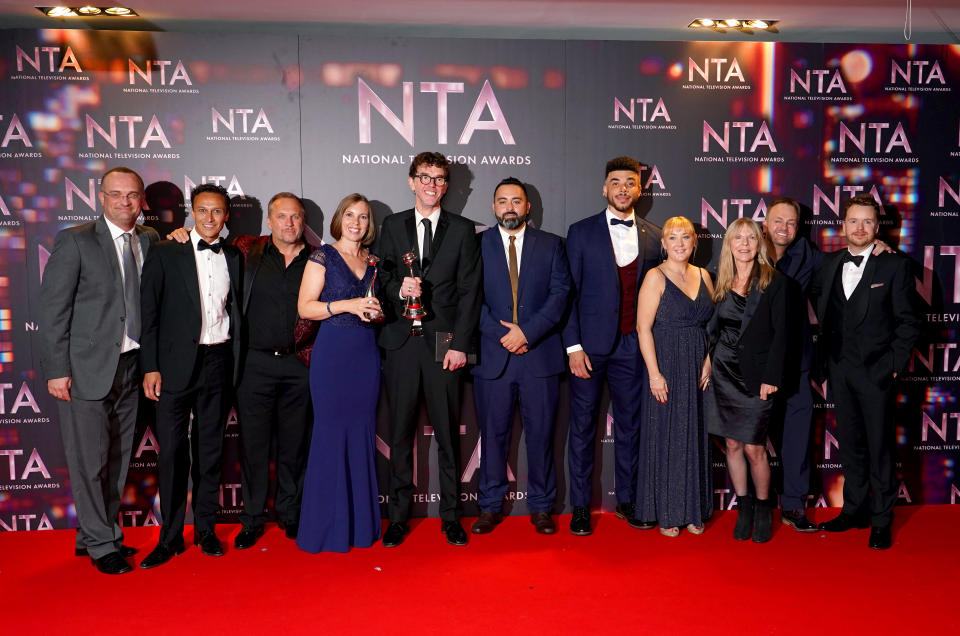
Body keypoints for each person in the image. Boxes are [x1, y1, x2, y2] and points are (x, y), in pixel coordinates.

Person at [166, 193, 318, 549]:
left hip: (299, 364)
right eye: (282, 217)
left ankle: (290, 513)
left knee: (294, 447)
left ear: (303, 222)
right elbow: (201, 242)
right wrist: (179, 233)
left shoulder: (317, 259)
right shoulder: (244, 252)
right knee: (253, 446)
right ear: (269, 221)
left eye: (296, 218)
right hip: (254, 365)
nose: (289, 224)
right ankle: (252, 519)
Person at [39, 167, 158, 575]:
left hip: (131, 367)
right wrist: (57, 369)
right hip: (85, 370)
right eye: (116, 194)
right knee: (89, 461)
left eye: (132, 195)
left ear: (142, 200)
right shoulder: (75, 241)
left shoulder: (150, 239)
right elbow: (53, 312)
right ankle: (102, 543)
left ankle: (95, 533)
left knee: (118, 459)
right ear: (101, 197)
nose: (125, 203)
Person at [763, 197, 892, 532]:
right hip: (753, 362)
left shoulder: (810, 256)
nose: (784, 228)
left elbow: (852, 260)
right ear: (765, 223)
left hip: (796, 361)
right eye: (778, 221)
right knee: (747, 439)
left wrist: (878, 247)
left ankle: (793, 506)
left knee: (796, 437)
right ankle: (757, 507)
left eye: (791, 222)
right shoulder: (746, 246)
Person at [377, 152, 482, 548]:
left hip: (444, 345)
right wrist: (397, 290)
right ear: (411, 181)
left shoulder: (461, 229)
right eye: (425, 177)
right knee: (400, 435)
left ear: (447, 185)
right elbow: (381, 280)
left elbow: (471, 292)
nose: (432, 185)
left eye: (439, 179)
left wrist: (461, 346)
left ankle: (451, 516)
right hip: (401, 343)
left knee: (447, 436)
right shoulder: (391, 225)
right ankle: (399, 518)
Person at [138, 183, 242, 568]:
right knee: (172, 454)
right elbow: (149, 315)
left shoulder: (234, 255)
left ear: (227, 215)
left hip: (218, 362)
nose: (210, 218)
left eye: (217, 211)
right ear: (191, 213)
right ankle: (169, 538)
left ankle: (206, 531)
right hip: (173, 366)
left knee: (210, 451)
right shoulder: (166, 251)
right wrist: (150, 365)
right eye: (202, 211)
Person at [810, 194, 921, 550]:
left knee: (880, 448)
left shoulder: (895, 266)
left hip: (876, 373)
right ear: (843, 226)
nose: (860, 228)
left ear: (877, 227)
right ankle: (854, 510)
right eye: (853, 221)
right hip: (839, 370)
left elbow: (908, 324)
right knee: (852, 446)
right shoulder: (828, 264)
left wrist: (890, 368)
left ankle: (881, 519)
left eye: (867, 222)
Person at [561, 156, 662, 535]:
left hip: (633, 348)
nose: (623, 188)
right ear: (605, 188)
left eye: (630, 183)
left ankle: (629, 500)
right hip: (588, 348)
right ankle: (580, 507)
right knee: (583, 428)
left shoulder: (654, 236)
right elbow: (567, 295)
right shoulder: (581, 232)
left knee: (631, 428)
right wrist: (572, 346)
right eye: (615, 182)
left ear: (640, 189)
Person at [470, 177, 571, 536]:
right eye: (502, 201)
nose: (509, 207)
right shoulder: (476, 246)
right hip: (492, 357)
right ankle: (490, 506)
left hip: (539, 356)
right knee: (493, 436)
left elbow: (560, 295)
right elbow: (469, 301)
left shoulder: (552, 245)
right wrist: (504, 335)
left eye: (516, 201)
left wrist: (527, 332)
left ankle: (542, 507)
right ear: (494, 207)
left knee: (542, 437)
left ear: (528, 207)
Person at [296, 194, 382, 553]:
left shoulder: (373, 261)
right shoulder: (322, 256)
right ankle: (325, 529)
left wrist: (376, 312)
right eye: (350, 214)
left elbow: (377, 311)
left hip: (365, 355)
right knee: (330, 435)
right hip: (332, 354)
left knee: (361, 435)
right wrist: (345, 304)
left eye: (363, 217)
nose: (356, 222)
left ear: (369, 224)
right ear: (339, 218)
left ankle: (360, 527)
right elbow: (305, 307)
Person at [705, 218, 788, 543]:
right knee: (733, 444)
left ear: (759, 243)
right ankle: (744, 507)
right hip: (724, 371)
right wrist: (706, 363)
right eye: (737, 238)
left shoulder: (774, 282)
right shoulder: (720, 280)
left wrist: (771, 377)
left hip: (757, 378)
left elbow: (783, 335)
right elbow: (712, 329)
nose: (744, 244)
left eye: (750, 238)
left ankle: (765, 508)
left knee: (754, 448)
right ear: (729, 244)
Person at [636, 215, 714, 537]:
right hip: (666, 363)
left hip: (698, 364)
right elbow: (643, 329)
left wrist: (708, 359)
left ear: (694, 242)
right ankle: (667, 513)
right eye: (673, 238)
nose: (679, 243)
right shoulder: (655, 277)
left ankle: (695, 510)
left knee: (695, 435)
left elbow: (712, 325)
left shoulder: (705, 275)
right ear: (664, 243)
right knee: (668, 436)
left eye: (686, 237)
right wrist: (655, 374)